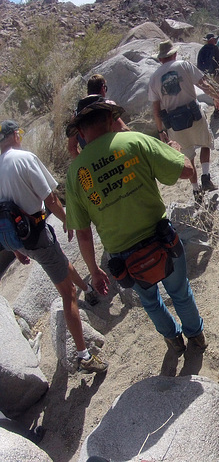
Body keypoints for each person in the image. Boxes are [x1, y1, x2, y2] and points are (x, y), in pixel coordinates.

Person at [65, 96, 207, 355]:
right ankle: (196, 336)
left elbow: (83, 234)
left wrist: (94, 270)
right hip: (161, 239)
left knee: (150, 301)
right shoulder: (135, 141)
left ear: (82, 131)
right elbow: (186, 171)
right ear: (110, 119)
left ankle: (173, 341)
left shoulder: (76, 173)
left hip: (124, 257)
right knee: (180, 291)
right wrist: (174, 151)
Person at [0, 120, 107, 373]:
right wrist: (67, 220)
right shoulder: (23, 158)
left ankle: (88, 290)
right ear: (16, 134)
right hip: (36, 234)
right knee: (67, 293)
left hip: (17, 238)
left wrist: (14, 248)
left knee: (58, 259)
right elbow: (49, 197)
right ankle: (84, 355)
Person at [149, 39, 219, 202]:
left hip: (174, 124)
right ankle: (206, 177)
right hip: (194, 114)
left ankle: (196, 191)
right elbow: (204, 84)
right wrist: (216, 98)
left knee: (187, 157)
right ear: (174, 54)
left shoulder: (154, 78)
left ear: (160, 59)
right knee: (205, 143)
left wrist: (160, 131)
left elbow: (156, 110)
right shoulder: (184, 65)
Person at [67, 74, 130, 158]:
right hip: (112, 155)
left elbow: (72, 148)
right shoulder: (107, 106)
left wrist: (85, 163)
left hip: (92, 161)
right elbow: (123, 129)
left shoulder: (77, 114)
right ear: (103, 88)